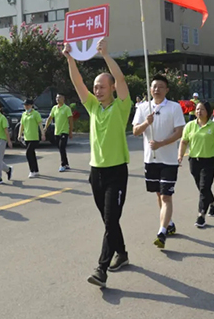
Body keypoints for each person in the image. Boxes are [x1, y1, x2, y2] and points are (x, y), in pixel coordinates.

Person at [63, 38, 130, 288]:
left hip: (116, 173)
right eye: (96, 87)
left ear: (112, 88)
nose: (98, 90)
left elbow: (122, 80)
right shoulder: (92, 107)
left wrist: (105, 55)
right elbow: (78, 83)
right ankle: (121, 252)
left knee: (111, 221)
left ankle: (101, 269)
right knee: (108, 220)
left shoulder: (121, 107)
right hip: (96, 173)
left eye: (102, 86)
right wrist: (70, 58)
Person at [132, 74, 185, 249]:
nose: (157, 89)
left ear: (166, 89)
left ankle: (162, 231)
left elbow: (179, 132)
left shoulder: (174, 107)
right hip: (151, 160)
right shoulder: (142, 108)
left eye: (161, 86)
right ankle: (169, 223)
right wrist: (146, 123)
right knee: (158, 194)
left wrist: (161, 143)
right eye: (154, 86)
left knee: (166, 195)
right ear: (150, 89)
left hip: (169, 160)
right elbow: (135, 132)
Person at [178, 102, 214, 228]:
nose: (199, 111)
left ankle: (201, 215)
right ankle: (212, 203)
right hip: (194, 160)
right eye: (197, 109)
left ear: (208, 112)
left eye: (202, 109)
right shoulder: (189, 126)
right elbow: (183, 142)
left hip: (209, 160)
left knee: (204, 187)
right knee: (201, 187)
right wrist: (180, 156)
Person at [44, 94, 73, 172]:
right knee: (60, 148)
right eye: (57, 97)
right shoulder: (54, 108)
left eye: (59, 97)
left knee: (62, 147)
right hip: (57, 131)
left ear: (63, 98)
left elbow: (70, 120)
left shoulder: (67, 108)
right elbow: (50, 118)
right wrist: (45, 127)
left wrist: (70, 131)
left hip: (64, 131)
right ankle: (66, 163)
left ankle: (63, 164)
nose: (58, 99)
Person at [19, 99, 45, 178]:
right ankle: (36, 170)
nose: (26, 107)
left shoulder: (36, 113)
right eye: (25, 105)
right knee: (32, 154)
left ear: (31, 105)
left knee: (28, 153)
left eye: (27, 105)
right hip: (27, 137)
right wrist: (19, 134)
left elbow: (40, 124)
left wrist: (43, 134)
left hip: (34, 137)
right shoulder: (24, 114)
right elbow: (22, 125)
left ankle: (32, 170)